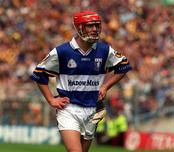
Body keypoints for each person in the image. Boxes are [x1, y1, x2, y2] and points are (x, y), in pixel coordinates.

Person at [31, 10, 132, 152]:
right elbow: (39, 74)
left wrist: (105, 87)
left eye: (97, 25)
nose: (95, 29)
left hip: (93, 110)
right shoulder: (62, 52)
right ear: (79, 28)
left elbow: (124, 66)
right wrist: (50, 100)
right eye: (90, 26)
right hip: (69, 109)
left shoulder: (104, 50)